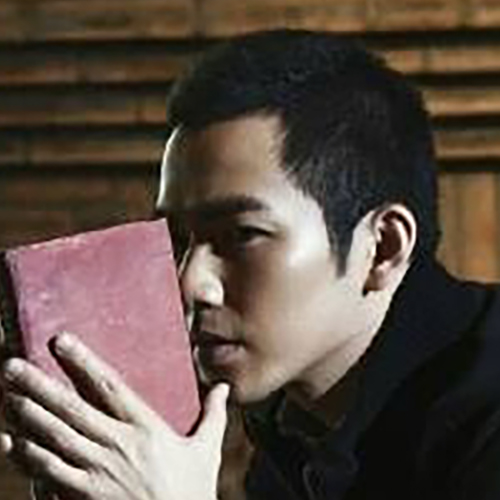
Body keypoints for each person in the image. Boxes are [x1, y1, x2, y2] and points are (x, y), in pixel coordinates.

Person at [2, 29, 500, 500]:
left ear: (383, 246)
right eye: (178, 241)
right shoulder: (290, 431)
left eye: (242, 235)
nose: (189, 283)